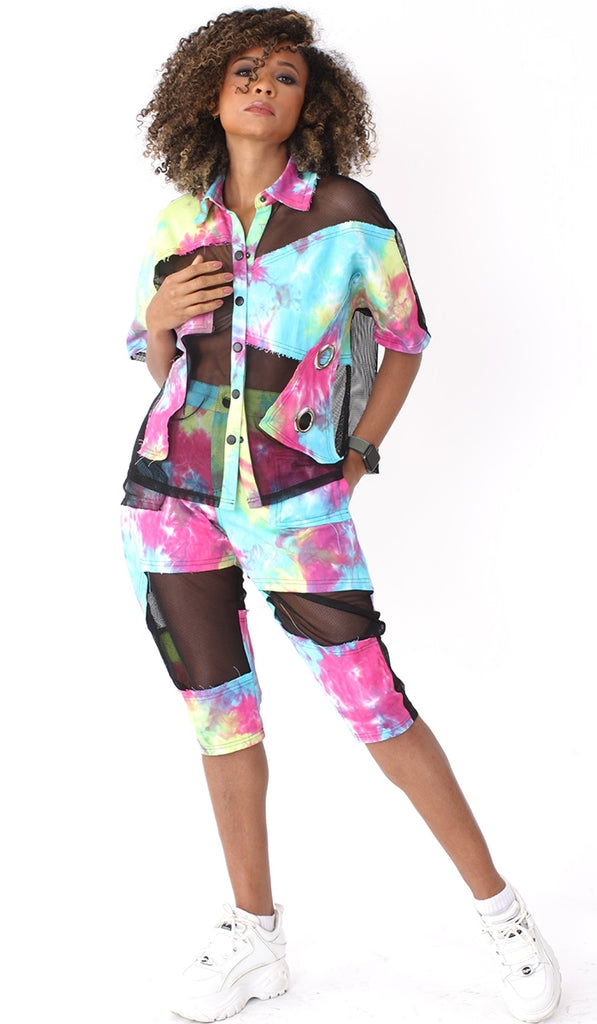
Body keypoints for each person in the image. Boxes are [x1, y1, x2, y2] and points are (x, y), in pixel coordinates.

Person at [120, 8, 561, 1022]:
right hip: (170, 501)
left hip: (295, 505)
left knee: (376, 705)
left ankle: (501, 914)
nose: (262, 84)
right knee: (220, 716)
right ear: (208, 94)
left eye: (284, 74)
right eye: (244, 69)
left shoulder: (346, 213)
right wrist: (157, 319)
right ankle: (255, 937)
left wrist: (358, 452)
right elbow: (161, 369)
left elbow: (404, 339)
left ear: (310, 104)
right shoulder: (179, 224)